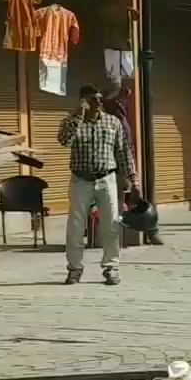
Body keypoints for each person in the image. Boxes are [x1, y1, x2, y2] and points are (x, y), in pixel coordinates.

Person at [58, 84, 139, 285]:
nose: (98, 102)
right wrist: (78, 117)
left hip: (106, 179)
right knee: (76, 226)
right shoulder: (71, 121)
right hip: (80, 180)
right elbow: (64, 141)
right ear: (83, 101)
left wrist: (133, 179)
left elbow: (123, 152)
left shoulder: (113, 123)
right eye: (93, 99)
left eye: (99, 98)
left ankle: (111, 267)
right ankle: (75, 268)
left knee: (110, 224)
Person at [101, 88, 164, 246]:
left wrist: (130, 176)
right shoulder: (111, 121)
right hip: (112, 170)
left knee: (124, 203)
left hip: (119, 169)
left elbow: (124, 152)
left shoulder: (118, 123)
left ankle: (143, 231)